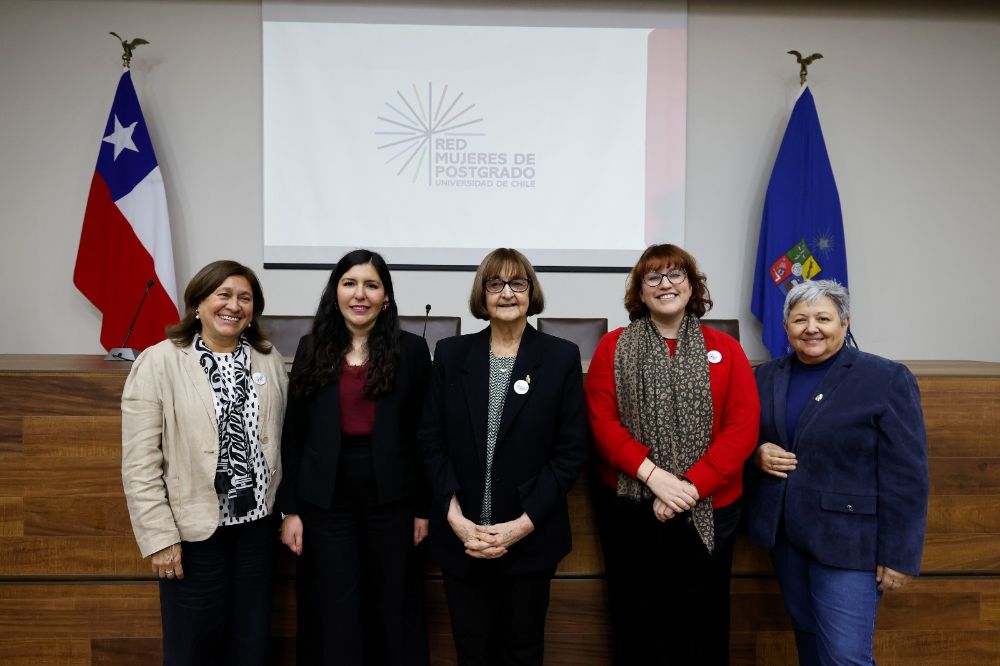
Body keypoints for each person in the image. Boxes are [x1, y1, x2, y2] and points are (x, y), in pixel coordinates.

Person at [584, 243, 759, 665]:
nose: (666, 284)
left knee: (702, 622)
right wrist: (655, 478)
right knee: (636, 621)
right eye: (653, 277)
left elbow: (743, 428)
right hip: (630, 507)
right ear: (639, 293)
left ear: (692, 285)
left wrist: (689, 487)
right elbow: (602, 424)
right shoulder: (613, 347)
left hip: (711, 505)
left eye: (676, 274)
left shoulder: (727, 349)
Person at [745, 279, 928, 666]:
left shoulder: (885, 378)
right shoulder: (764, 376)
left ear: (845, 324)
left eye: (823, 318)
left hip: (849, 544)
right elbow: (743, 438)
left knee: (845, 657)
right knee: (809, 646)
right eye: (800, 319)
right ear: (786, 327)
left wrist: (900, 555)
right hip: (786, 538)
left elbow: (907, 475)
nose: (811, 328)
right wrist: (756, 454)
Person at [419, 248, 588, 666]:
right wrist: (455, 518)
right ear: (483, 294)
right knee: (472, 648)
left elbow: (571, 452)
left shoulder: (560, 356)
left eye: (518, 283)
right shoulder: (452, 354)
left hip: (529, 537)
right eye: (495, 284)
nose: (507, 293)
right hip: (464, 538)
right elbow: (429, 439)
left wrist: (523, 524)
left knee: (523, 649)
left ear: (531, 292)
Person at [121, 260, 288, 666]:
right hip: (194, 534)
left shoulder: (269, 359)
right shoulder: (159, 361)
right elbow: (140, 462)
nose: (234, 305)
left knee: (251, 646)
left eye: (245, 298)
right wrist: (160, 538)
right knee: (192, 648)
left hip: (257, 530)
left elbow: (284, 441)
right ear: (198, 302)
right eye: (223, 295)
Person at [276, 249, 431, 666]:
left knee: (391, 604)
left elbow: (425, 435)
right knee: (333, 608)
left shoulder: (412, 350)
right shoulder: (311, 348)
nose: (359, 294)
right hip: (324, 499)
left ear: (386, 297)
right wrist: (290, 509)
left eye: (371, 285)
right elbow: (294, 435)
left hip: (393, 498)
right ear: (336, 292)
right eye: (349, 283)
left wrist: (422, 508)